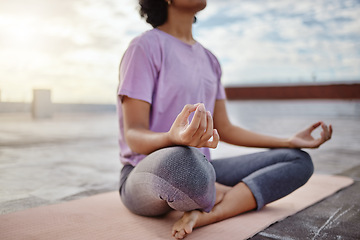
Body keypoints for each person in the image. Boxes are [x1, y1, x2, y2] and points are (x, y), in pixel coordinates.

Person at [117, 0, 333, 239]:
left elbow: (226, 128)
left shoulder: (210, 59)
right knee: (182, 162)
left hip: (201, 167)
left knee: (298, 160)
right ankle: (224, 194)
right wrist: (172, 137)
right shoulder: (144, 47)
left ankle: (207, 213)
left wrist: (289, 140)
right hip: (148, 172)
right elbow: (134, 134)